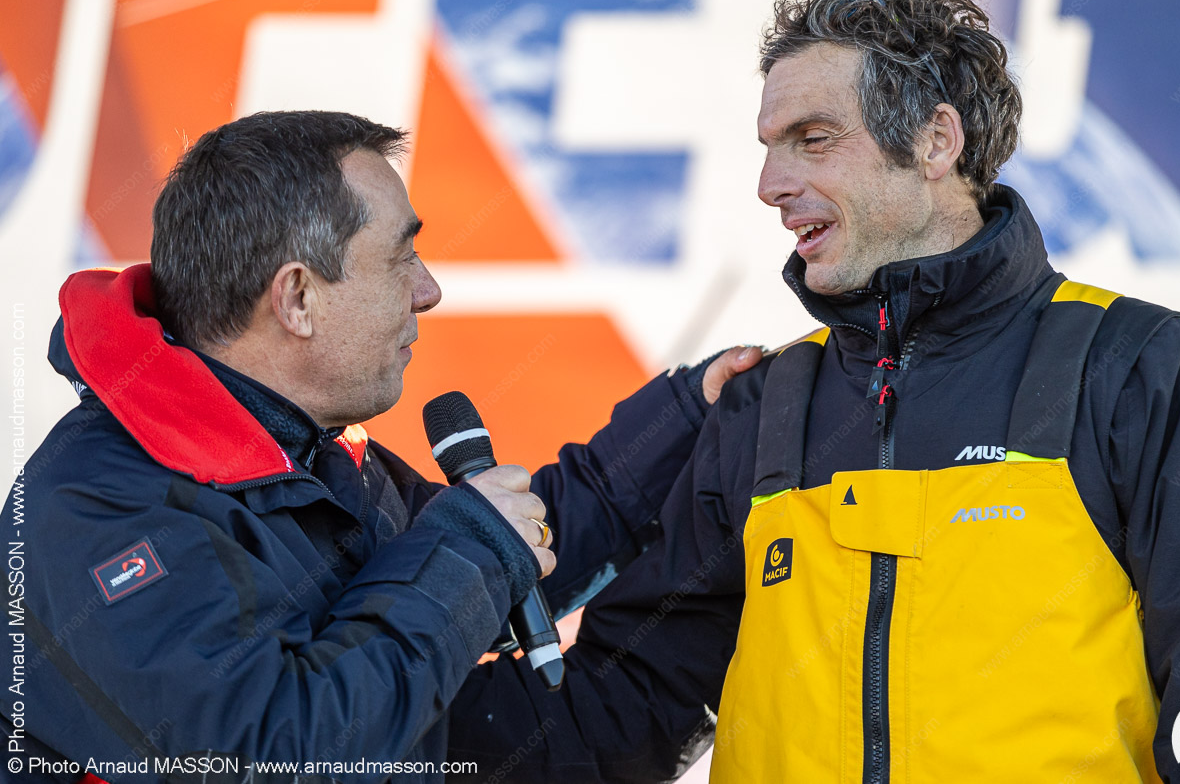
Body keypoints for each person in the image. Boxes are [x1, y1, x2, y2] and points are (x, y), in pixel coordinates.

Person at [445, 0, 1180, 782]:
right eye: (770, 148)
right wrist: (390, 728)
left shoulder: (1135, 364)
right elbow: (624, 708)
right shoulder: (762, 406)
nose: (771, 184)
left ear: (935, 141)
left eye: (813, 139)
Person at [1, 110, 761, 783]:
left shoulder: (304, 454)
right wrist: (476, 547)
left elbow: (509, 548)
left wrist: (688, 417)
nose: (429, 290)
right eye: (402, 258)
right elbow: (279, 757)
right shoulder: (95, 510)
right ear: (298, 298)